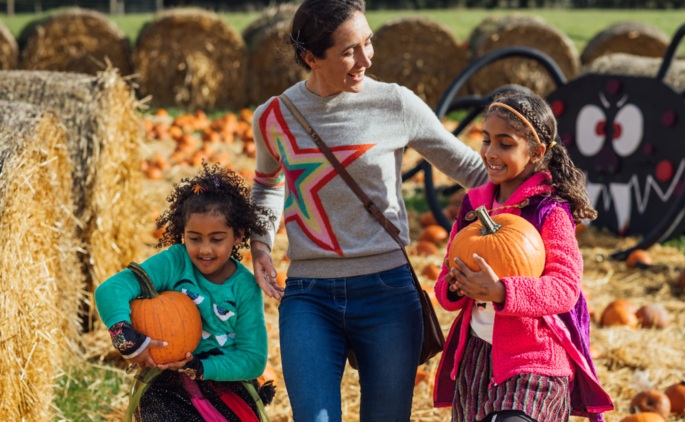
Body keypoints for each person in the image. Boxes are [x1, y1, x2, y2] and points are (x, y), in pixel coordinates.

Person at [248, 0, 487, 420]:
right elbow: (267, 184)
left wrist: (540, 190)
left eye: (368, 43)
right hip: (308, 296)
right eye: (348, 51)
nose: (366, 59)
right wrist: (260, 245)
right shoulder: (273, 117)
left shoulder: (396, 103)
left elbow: (470, 168)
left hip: (387, 293)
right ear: (310, 58)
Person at [433, 91, 613, 422]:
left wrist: (502, 291)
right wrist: (457, 286)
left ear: (536, 152)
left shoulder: (549, 210)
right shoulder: (473, 207)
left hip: (535, 359)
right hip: (475, 358)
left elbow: (564, 288)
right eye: (486, 140)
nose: (490, 152)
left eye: (505, 143)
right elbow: (446, 280)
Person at [95, 163, 276, 422]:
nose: (204, 249)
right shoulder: (175, 262)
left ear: (238, 236)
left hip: (224, 385)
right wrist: (125, 339)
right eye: (194, 238)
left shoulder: (244, 287)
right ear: (182, 234)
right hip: (166, 385)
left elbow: (253, 358)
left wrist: (202, 367)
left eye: (216, 239)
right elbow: (110, 290)